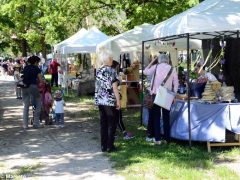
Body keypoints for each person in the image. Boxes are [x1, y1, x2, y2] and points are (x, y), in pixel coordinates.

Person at [143, 54, 179, 145]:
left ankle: (157, 138)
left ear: (159, 60)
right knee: (166, 117)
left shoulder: (155, 66)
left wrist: (151, 62)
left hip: (156, 94)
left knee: (156, 117)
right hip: (167, 95)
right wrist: (174, 95)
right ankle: (167, 139)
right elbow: (176, 83)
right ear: (167, 60)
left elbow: (145, 71)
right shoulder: (172, 69)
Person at [95, 50, 121, 152]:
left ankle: (103, 145)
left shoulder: (98, 71)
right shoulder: (111, 71)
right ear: (108, 59)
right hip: (109, 101)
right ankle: (110, 146)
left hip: (100, 100)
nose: (112, 60)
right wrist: (118, 101)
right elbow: (115, 88)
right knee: (111, 123)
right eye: (111, 58)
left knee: (103, 123)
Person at [111, 60, 134, 140]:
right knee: (118, 117)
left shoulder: (109, 74)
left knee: (114, 118)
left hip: (110, 99)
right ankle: (124, 133)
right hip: (114, 99)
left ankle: (113, 133)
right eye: (117, 67)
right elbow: (115, 87)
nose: (118, 68)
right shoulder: (113, 75)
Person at [22, 55, 43, 129]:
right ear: (36, 62)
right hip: (33, 87)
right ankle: (36, 123)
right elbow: (40, 80)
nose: (38, 64)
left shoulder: (25, 67)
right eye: (38, 62)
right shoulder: (36, 68)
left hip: (24, 87)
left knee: (26, 106)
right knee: (38, 103)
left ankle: (25, 125)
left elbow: (23, 76)